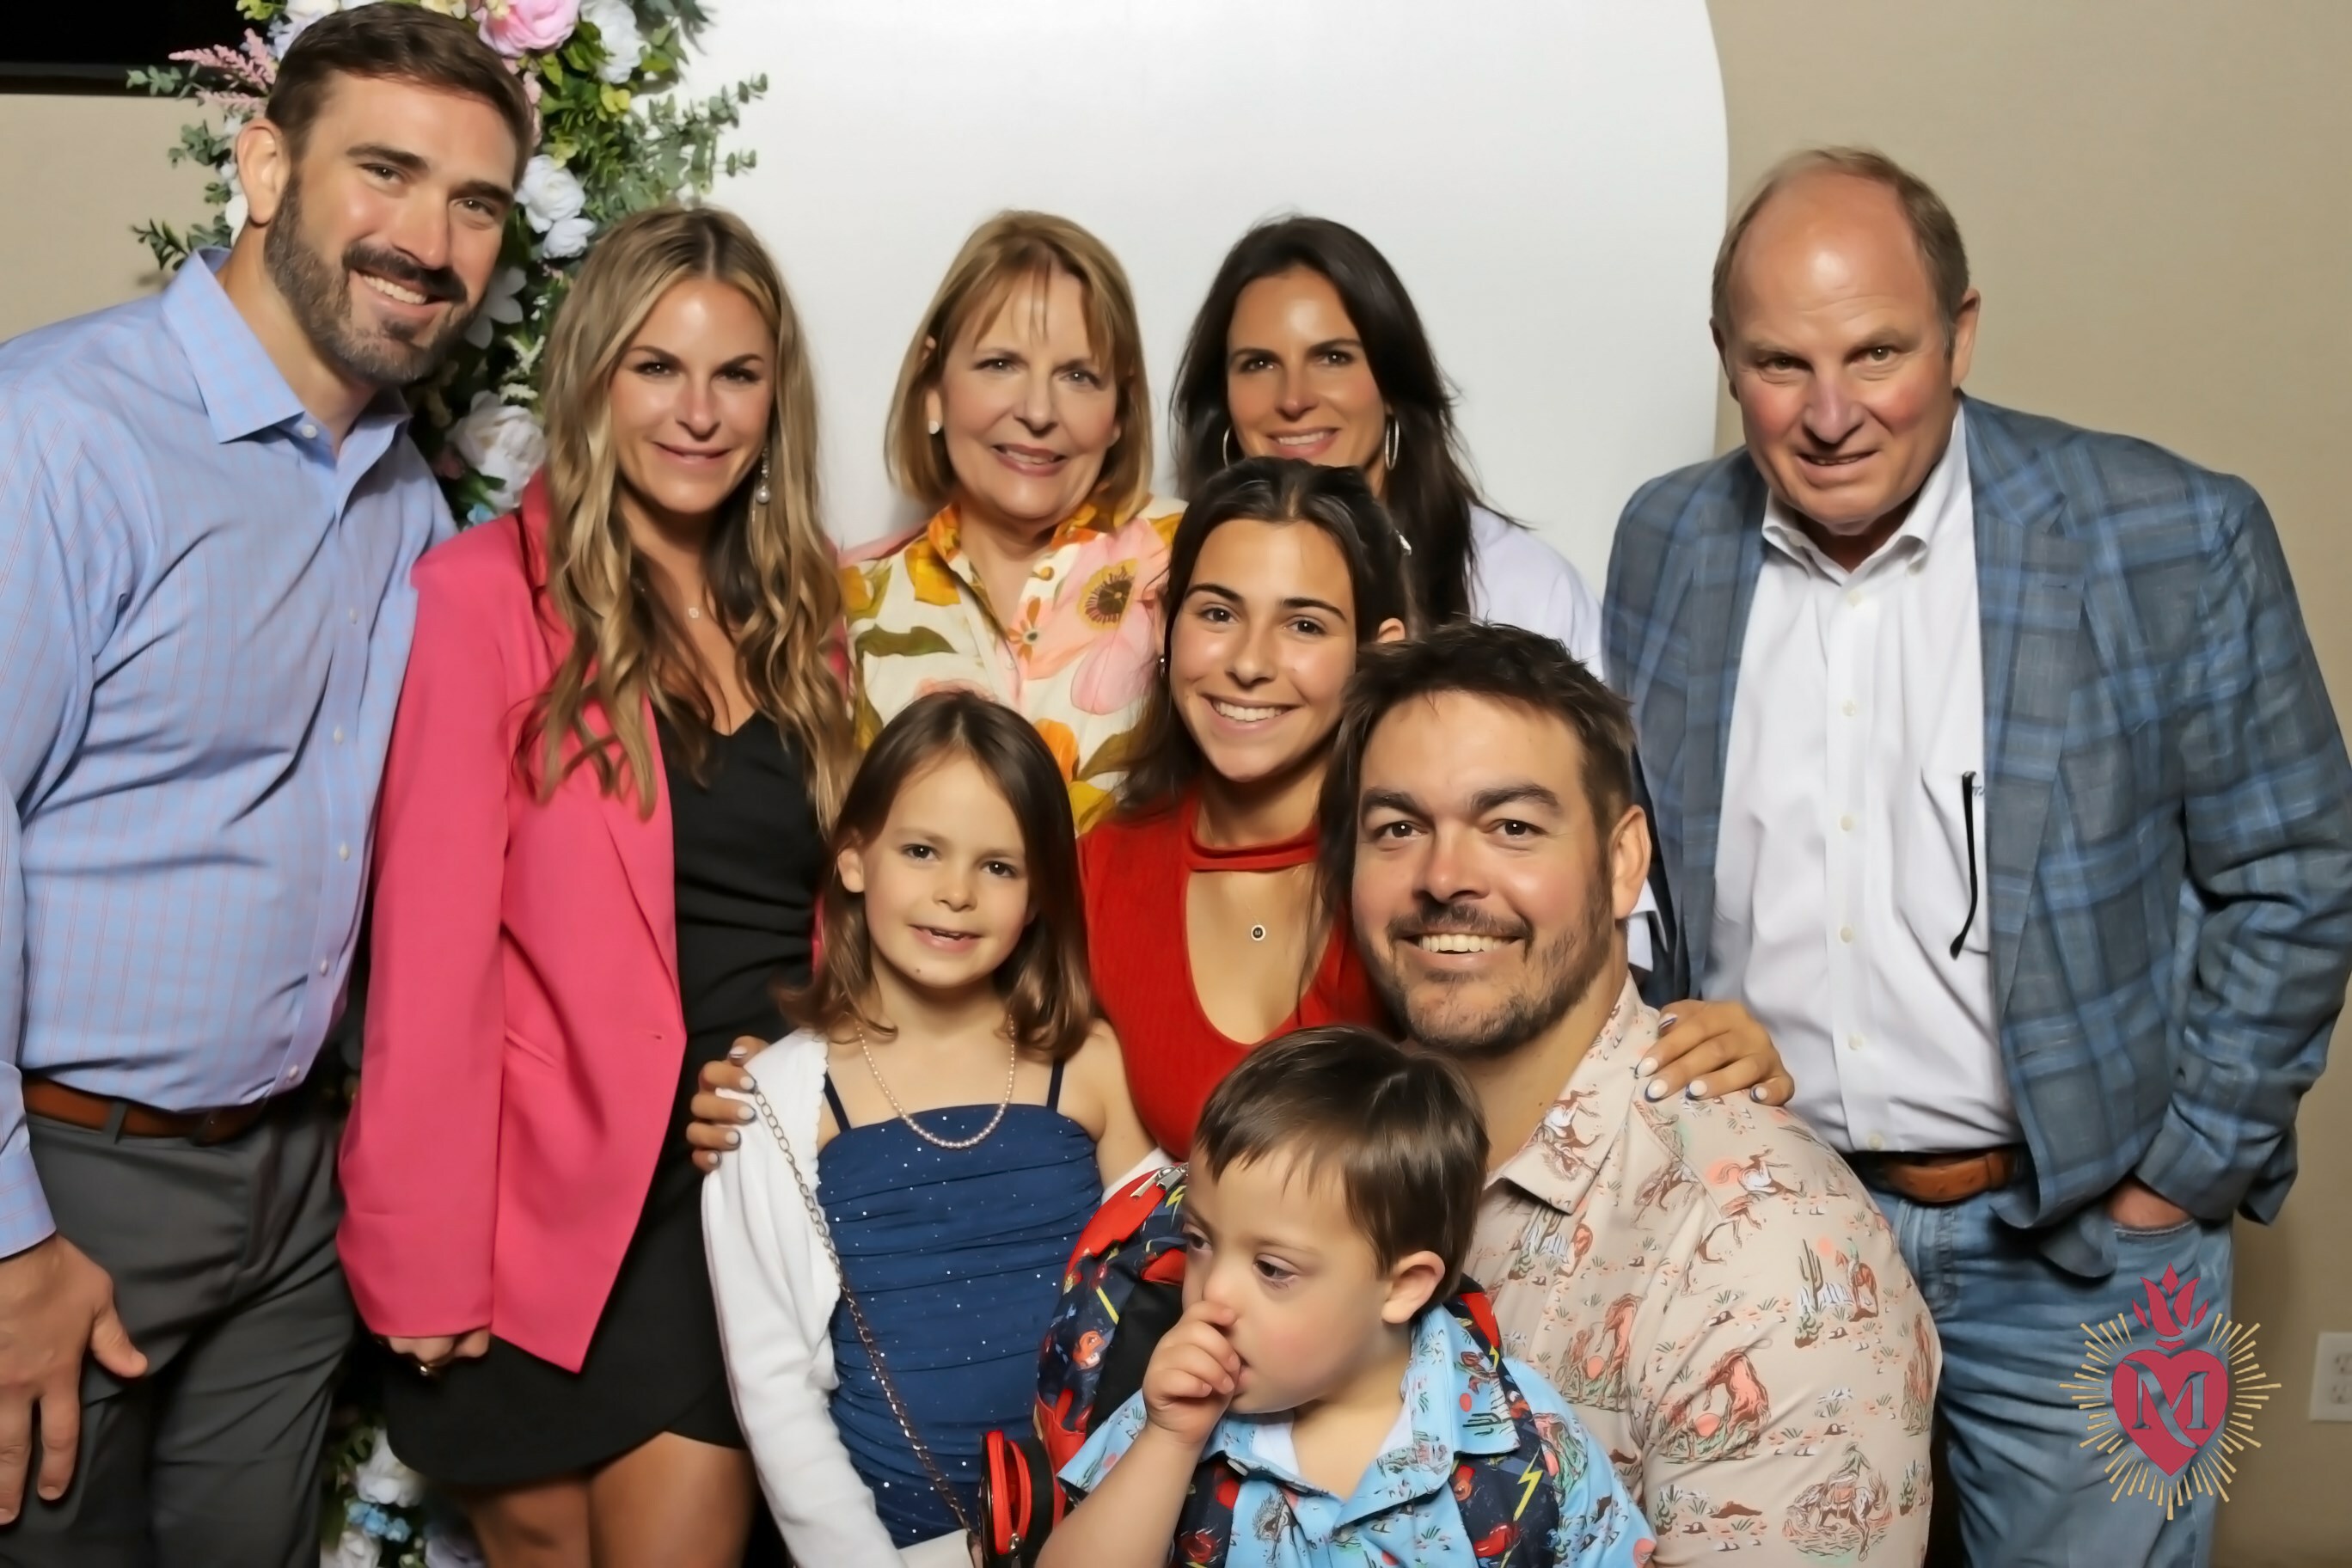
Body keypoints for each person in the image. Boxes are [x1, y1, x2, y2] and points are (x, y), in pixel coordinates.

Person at [1604, 147, 2352, 1567]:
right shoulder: (1667, 541)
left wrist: (2180, 1177)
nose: (1831, 413)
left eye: (1876, 352)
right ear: (1724, 358)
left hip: (2088, 1246)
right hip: (1774, 1226)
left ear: (1960, 331)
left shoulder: (2169, 536)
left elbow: (2298, 870)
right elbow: (1636, 878)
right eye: (1780, 363)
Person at [0, 9, 524, 1563]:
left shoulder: (405, 493)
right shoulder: (58, 434)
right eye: (385, 171)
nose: (429, 241)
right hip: (72, 1174)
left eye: (477, 203)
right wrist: (10, 1239)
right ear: (265, 166)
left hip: (297, 1193)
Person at [335, 205, 852, 1566]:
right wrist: (421, 1252)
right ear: (592, 377)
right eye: (656, 368)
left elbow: (845, 921)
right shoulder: (481, 597)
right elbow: (429, 959)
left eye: (737, 374)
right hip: (539, 1208)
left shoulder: (807, 611)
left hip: (735, 1182)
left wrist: (824, 1085)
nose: (700, 413)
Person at [1326, 622, 1938, 1566]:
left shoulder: (1769, 1257)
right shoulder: (1321, 1152)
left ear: (1622, 863)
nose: (1443, 878)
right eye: (1398, 829)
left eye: (1512, 827)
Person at [702, 691, 1155, 1564]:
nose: (956, 893)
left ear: (1039, 894)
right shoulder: (777, 1098)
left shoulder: (1088, 1059)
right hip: (892, 1541)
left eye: (999, 866)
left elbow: (1157, 1288)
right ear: (854, 859)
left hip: (1102, 1526)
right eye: (921, 851)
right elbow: (773, 1387)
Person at [1041, 1027, 1656, 1568]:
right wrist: (1169, 1443)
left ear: (1403, 1286)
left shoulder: (1529, 1439)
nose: (1213, 1292)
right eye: (1199, 1241)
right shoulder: (1169, 1415)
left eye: (1272, 1268)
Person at [1078, 458, 1408, 1154]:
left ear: (1379, 657)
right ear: (1164, 626)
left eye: (1305, 626)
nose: (1250, 663)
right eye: (1218, 614)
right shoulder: (1096, 876)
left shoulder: (1422, 874)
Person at [847, 211, 1184, 829]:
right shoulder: (847, 600)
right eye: (1001, 364)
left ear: (1119, 408)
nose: (1038, 411)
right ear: (933, 383)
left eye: (1078, 376)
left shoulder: (1192, 560)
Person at [1172, 214, 1600, 662]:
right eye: (1259, 364)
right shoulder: (1162, 571)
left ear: (1394, 384)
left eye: (1333, 357)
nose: (1294, 399)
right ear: (1222, 398)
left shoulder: (1524, 588)